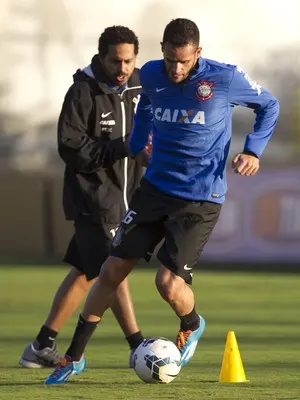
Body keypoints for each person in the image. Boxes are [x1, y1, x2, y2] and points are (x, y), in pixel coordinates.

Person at [45, 18, 279, 384]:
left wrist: (253, 151)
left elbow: (270, 106)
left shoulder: (224, 78)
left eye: (183, 61)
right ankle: (73, 358)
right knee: (110, 270)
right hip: (154, 190)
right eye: (170, 60)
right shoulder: (151, 75)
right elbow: (146, 107)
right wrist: (138, 144)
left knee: (168, 284)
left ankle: (191, 322)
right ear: (162, 52)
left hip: (199, 199)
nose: (175, 69)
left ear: (197, 54)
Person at [19, 25, 148, 370]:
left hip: (127, 201)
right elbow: (71, 148)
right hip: (93, 199)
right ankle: (139, 347)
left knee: (85, 273)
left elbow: (149, 139)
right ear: (101, 57)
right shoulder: (82, 92)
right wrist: (123, 148)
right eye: (115, 60)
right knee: (113, 269)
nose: (122, 68)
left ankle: (40, 346)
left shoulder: (141, 86)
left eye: (128, 61)